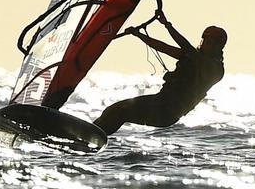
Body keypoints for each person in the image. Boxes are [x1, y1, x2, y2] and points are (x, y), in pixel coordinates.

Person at [92, 12, 227, 135]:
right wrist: (139, 35)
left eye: (209, 42)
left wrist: (167, 25)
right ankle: (92, 133)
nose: (204, 45)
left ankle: (93, 136)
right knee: (113, 110)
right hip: (159, 102)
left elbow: (186, 46)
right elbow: (162, 47)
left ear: (218, 47)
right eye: (204, 41)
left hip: (166, 112)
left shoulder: (215, 69)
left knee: (119, 111)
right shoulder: (192, 57)